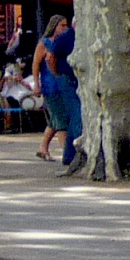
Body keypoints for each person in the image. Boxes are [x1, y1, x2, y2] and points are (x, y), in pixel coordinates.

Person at [34, 13, 82, 167]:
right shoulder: (44, 43)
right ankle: (66, 152)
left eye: (66, 25)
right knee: (61, 121)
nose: (65, 28)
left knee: (56, 119)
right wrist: (37, 84)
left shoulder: (64, 40)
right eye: (62, 25)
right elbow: (36, 65)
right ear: (54, 27)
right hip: (51, 86)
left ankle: (43, 147)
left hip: (63, 86)